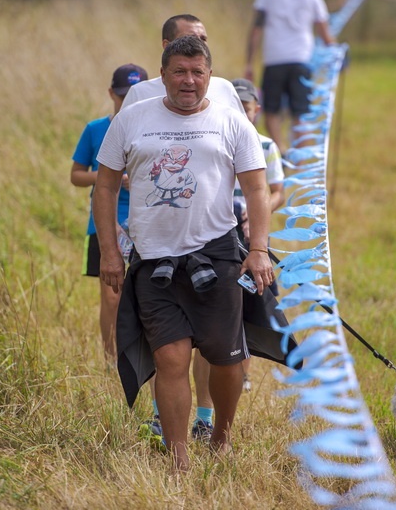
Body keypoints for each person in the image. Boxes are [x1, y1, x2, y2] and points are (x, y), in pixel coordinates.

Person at [93, 35, 274, 471]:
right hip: (154, 261)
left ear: (210, 76)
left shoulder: (232, 122)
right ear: (164, 75)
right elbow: (104, 186)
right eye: (179, 71)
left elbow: (255, 188)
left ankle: (221, 438)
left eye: (197, 72)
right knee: (170, 356)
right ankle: (178, 459)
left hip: (217, 257)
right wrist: (109, 253)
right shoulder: (132, 119)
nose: (188, 81)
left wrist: (259, 249)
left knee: (226, 358)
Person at [123, 13, 243, 446]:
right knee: (170, 351)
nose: (194, 58)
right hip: (156, 244)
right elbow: (123, 155)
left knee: (218, 347)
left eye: (203, 45)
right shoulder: (139, 97)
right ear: (164, 53)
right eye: (186, 46)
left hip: (215, 240)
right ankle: (166, 425)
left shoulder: (225, 91)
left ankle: (210, 421)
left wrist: (254, 233)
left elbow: (241, 154)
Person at [70, 63, 148, 362]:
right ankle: (112, 360)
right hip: (103, 221)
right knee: (111, 296)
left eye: (134, 96)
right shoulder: (95, 129)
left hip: (145, 220)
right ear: (111, 94)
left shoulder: (156, 127)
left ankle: (141, 358)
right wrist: (109, 177)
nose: (127, 103)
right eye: (121, 96)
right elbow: (76, 175)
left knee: (145, 296)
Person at [244, 0, 336, 153]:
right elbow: (325, 35)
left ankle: (281, 151)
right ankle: (299, 159)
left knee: (271, 112)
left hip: (274, 59)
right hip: (302, 60)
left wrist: (249, 62)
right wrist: (338, 53)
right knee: (301, 113)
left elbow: (256, 29)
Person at [230, 78, 286, 393]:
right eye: (235, 106)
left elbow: (277, 191)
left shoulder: (266, 145)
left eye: (246, 108)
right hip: (222, 231)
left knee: (252, 298)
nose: (241, 113)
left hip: (253, 236)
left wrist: (258, 210)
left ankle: (245, 372)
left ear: (257, 110)